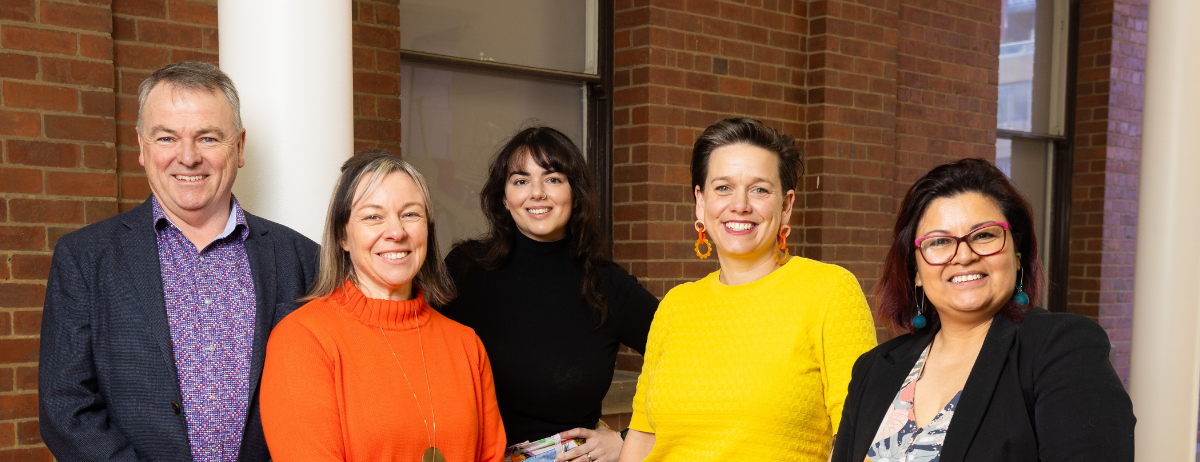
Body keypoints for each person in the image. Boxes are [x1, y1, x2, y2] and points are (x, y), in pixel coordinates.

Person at [37, 62, 321, 461]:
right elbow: (64, 407)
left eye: (207, 137)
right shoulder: (85, 259)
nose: (187, 157)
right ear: (142, 146)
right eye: (167, 137)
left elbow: (321, 399)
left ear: (238, 148)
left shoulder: (302, 258)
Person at [831, 158, 1135, 461]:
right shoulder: (873, 369)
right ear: (916, 272)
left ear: (1017, 255)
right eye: (939, 241)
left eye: (984, 235)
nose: (963, 256)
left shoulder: (1062, 350)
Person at [618, 118, 878, 462]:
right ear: (700, 201)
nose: (740, 204)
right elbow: (642, 438)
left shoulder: (829, 291)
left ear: (786, 206)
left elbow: (859, 437)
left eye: (759, 189)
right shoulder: (676, 306)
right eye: (723, 187)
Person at [259, 150, 506, 461]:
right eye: (373, 216)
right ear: (342, 236)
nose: (396, 232)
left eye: (411, 214)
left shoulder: (466, 344)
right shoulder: (303, 340)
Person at [440, 127, 659, 462]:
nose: (537, 193)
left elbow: (693, 362)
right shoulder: (465, 270)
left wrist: (627, 440)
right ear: (504, 196)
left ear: (575, 193)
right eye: (521, 180)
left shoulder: (607, 285)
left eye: (553, 179)